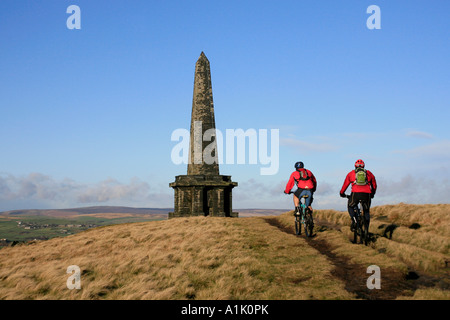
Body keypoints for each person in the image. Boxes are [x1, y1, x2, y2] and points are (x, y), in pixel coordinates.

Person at [340, 159, 377, 230]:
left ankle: (354, 220)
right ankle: (366, 230)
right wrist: (372, 193)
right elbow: (374, 185)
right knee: (366, 211)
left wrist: (342, 193)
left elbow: (345, 185)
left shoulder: (351, 173)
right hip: (367, 194)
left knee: (350, 206)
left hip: (355, 193)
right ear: (364, 166)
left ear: (355, 166)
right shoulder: (369, 173)